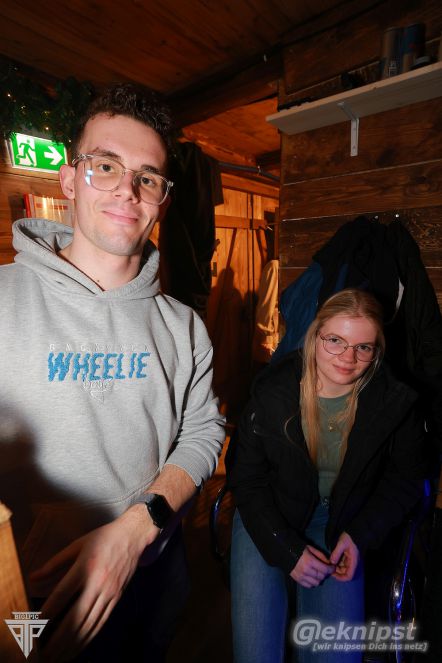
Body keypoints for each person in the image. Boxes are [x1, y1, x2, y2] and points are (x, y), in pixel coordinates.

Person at [0, 83, 225, 662]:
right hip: (32, 593)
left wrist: (140, 526)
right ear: (69, 180)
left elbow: (204, 432)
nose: (128, 188)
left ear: (161, 200)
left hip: (153, 575)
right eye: (106, 166)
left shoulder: (184, 327)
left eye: (147, 177)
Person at [226, 288, 426, 663]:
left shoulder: (395, 402)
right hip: (268, 513)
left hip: (339, 522)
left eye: (363, 347)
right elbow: (246, 481)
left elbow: (406, 479)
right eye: (335, 341)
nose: (348, 358)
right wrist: (287, 549)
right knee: (257, 652)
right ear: (315, 335)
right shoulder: (273, 391)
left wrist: (360, 534)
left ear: (377, 350)